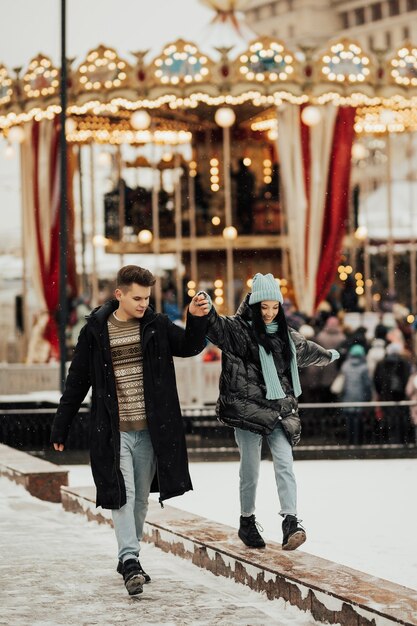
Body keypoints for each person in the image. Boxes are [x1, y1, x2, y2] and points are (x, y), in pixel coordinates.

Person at [50, 265, 210, 596]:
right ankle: (130, 559)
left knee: (139, 502)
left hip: (152, 430)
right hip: (114, 430)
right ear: (118, 294)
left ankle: (128, 558)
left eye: (147, 298)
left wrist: (194, 318)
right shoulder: (95, 331)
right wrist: (60, 427)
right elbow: (77, 381)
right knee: (122, 495)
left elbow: (190, 346)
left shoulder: (156, 324)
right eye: (137, 298)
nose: (143, 304)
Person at [203, 273, 339, 551]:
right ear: (254, 305)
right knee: (250, 469)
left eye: (274, 307)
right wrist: (205, 305)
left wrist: (328, 355)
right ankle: (247, 520)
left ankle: (291, 522)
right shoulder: (238, 331)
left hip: (279, 410)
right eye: (263, 307)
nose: (268, 313)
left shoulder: (287, 337)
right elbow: (214, 327)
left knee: (285, 463)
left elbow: (307, 350)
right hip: (248, 410)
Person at [339, 344, 372, 445]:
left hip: (347, 396)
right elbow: (367, 384)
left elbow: (343, 383)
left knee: (350, 420)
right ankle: (359, 441)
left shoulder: (345, 366)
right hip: (360, 396)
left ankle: (350, 440)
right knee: (359, 419)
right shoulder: (364, 367)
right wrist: (368, 396)